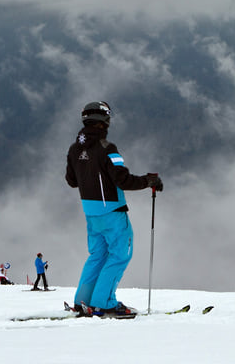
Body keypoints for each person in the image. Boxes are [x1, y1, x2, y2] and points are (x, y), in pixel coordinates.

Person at [66, 101, 163, 317]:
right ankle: (104, 303)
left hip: (90, 212)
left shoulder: (74, 149)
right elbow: (123, 180)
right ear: (104, 121)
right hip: (112, 211)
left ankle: (83, 302)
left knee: (97, 255)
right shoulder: (107, 148)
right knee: (120, 254)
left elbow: (72, 181)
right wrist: (149, 181)